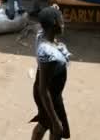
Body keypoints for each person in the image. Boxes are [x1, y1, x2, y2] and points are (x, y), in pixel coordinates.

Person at [30, 7, 71, 140]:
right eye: (61, 21)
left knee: (44, 122)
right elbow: (43, 89)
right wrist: (54, 120)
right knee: (55, 128)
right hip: (48, 95)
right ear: (54, 24)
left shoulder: (42, 34)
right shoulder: (49, 55)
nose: (63, 23)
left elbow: (42, 20)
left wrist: (53, 10)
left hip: (48, 91)